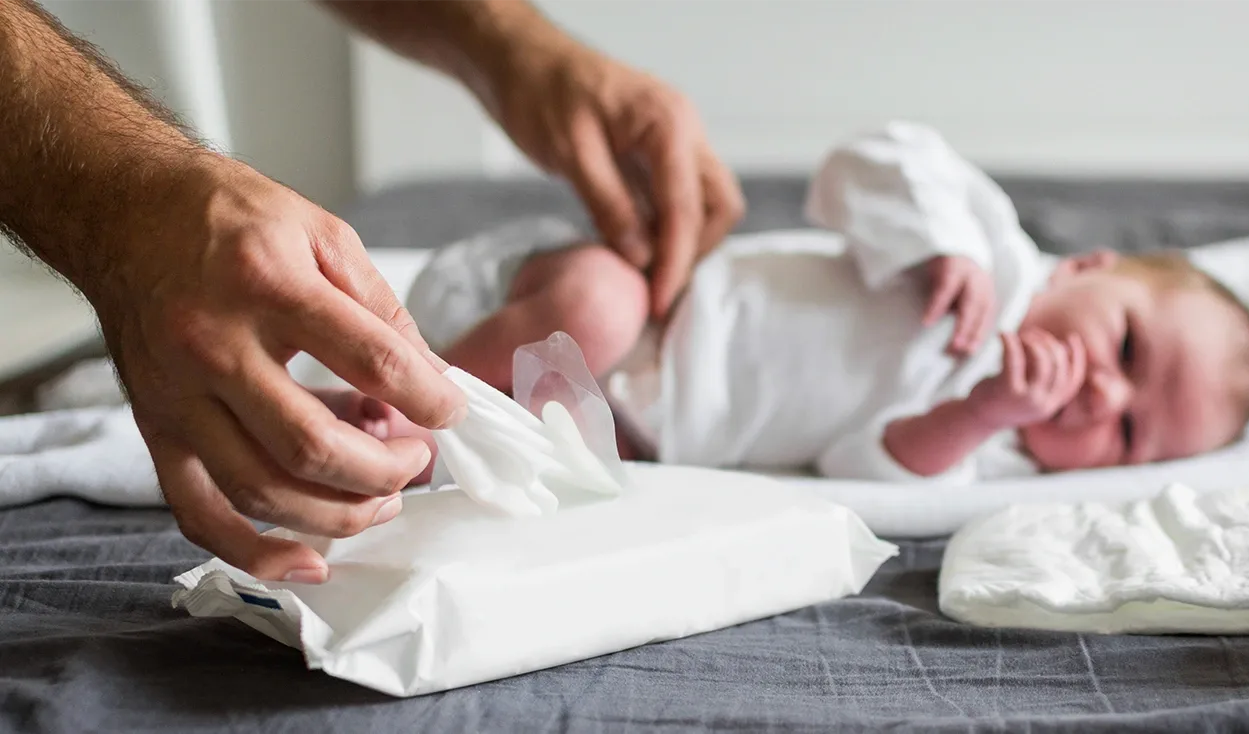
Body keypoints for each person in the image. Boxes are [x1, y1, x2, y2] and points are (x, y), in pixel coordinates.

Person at [0, 0, 743, 583]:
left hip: (661, 409)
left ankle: (415, 414)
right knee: (599, 304)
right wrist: (127, 203)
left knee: (596, 467)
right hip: (612, 299)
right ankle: (419, 398)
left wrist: (515, 44)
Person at [384, 121, 1249, 483]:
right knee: (600, 306)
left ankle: (384, 436)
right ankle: (409, 388)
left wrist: (978, 409)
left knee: (543, 477)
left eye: (1126, 436)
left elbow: (862, 466)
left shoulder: (996, 456)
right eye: (1127, 352)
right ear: (1087, 269)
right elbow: (875, 159)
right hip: (641, 308)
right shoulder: (994, 248)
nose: (1101, 396)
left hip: (629, 428)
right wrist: (942, 244)